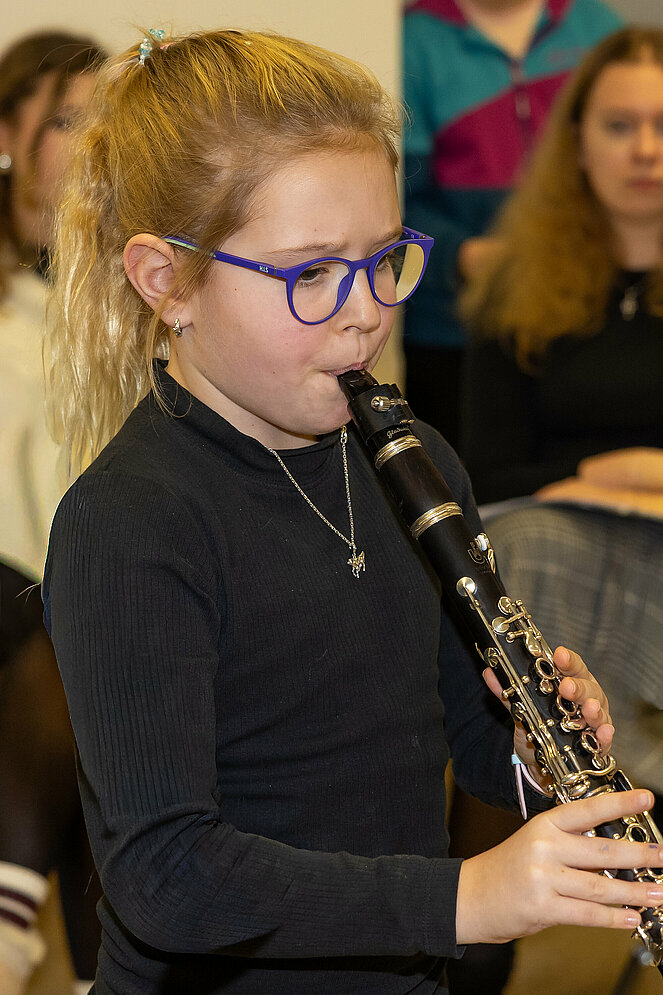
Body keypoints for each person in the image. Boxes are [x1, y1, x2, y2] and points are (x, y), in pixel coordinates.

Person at [42, 28, 663, 995]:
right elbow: (165, 874)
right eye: (311, 275)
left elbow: (463, 738)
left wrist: (532, 753)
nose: (366, 311)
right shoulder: (131, 520)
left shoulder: (414, 464)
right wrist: (465, 899)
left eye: (384, 260)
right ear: (167, 282)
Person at [0, 30, 105, 995]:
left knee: (95, 644)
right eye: (68, 118)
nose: (90, 142)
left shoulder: (113, 299)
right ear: (7, 133)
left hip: (56, 586)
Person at [402, 0, 622, 452]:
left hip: (584, 314)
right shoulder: (415, 40)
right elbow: (395, 197)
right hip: (452, 327)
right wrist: (463, 256)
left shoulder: (595, 27)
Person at [460, 26, 663, 505]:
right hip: (554, 527)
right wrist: (613, 473)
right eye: (619, 126)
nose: (646, 151)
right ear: (578, 143)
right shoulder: (516, 286)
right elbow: (482, 483)